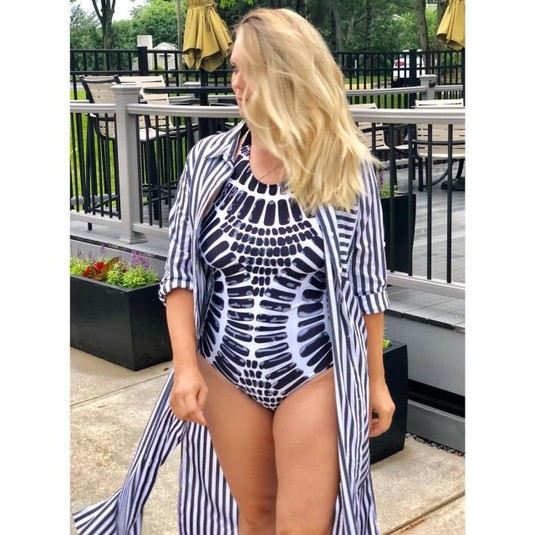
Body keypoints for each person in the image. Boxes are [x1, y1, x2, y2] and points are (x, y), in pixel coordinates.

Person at [73, 7, 395, 535]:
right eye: (234, 68)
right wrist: (185, 367)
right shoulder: (208, 160)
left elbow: (366, 287)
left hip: (313, 371)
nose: (235, 83)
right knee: (254, 515)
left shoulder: (345, 167)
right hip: (224, 368)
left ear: (285, 76)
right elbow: (181, 273)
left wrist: (376, 382)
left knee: (303, 526)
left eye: (247, 70)